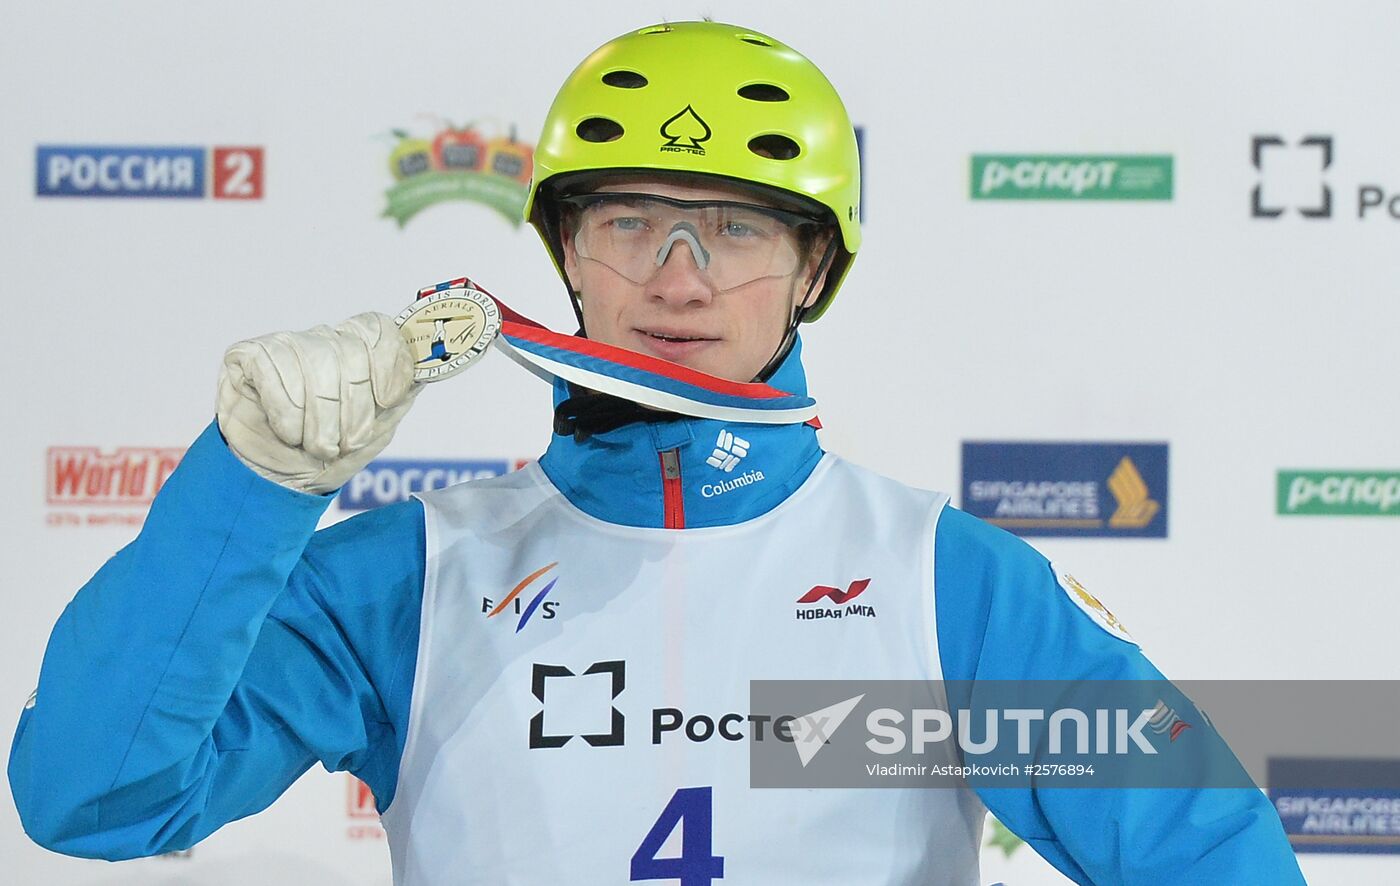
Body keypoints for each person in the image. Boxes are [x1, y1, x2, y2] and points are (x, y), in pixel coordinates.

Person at [10, 21, 1303, 885]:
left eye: (737, 229)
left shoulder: (938, 580)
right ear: (565, 251)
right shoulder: (417, 577)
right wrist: (252, 485)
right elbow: (93, 794)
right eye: (630, 218)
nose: (679, 279)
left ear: (813, 270)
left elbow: (1216, 856)